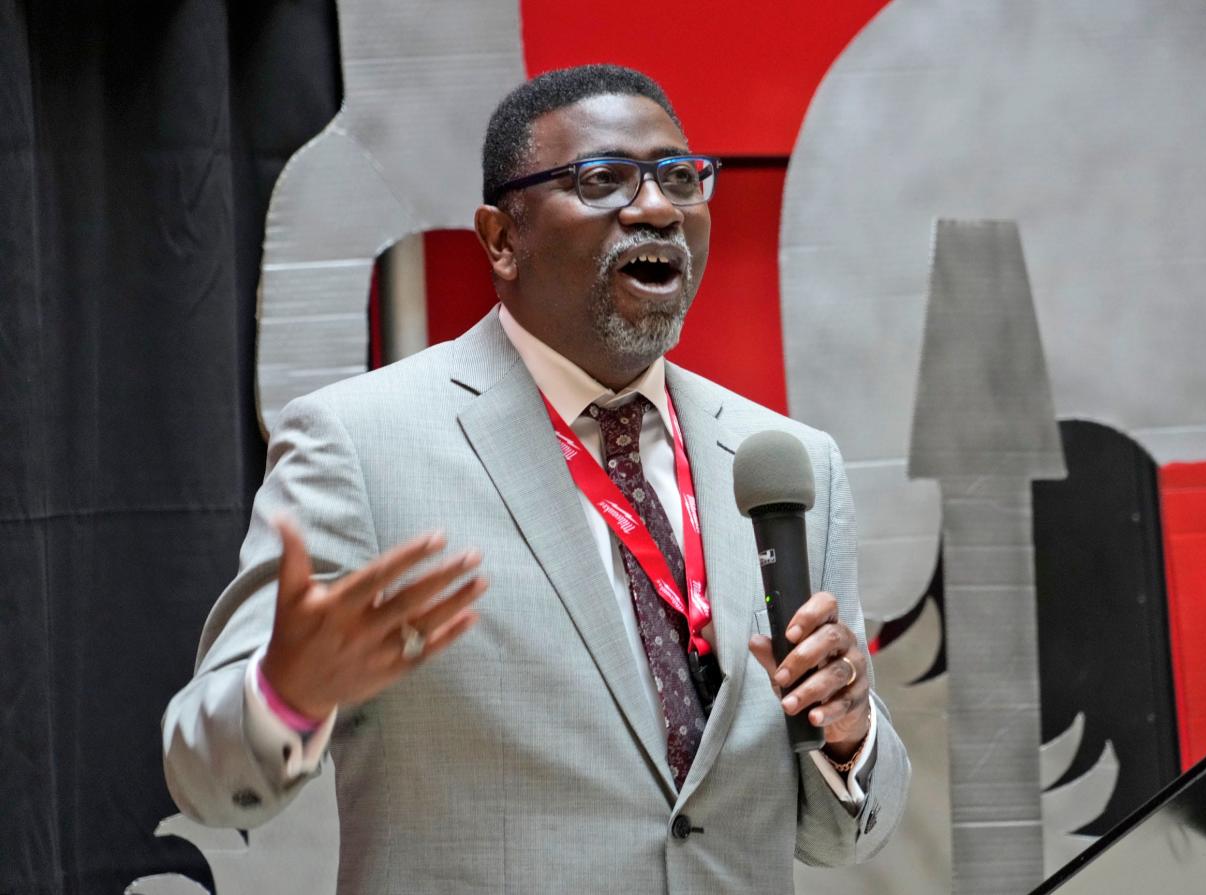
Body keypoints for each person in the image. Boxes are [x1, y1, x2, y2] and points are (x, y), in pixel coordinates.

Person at [163, 64, 910, 893]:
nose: (657, 207)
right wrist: (286, 693)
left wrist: (851, 737)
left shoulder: (788, 463)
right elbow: (203, 773)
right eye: (603, 181)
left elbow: (837, 836)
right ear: (501, 238)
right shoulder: (358, 444)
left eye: (678, 176)